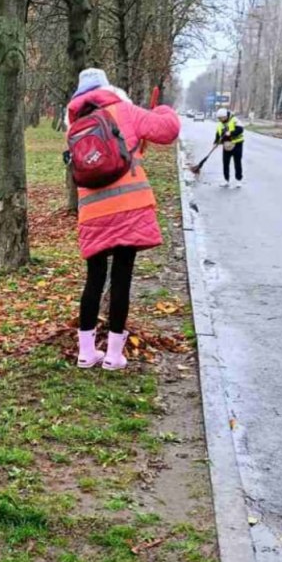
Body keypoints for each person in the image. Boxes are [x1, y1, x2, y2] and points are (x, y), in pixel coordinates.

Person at [66, 69, 180, 371]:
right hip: (129, 208)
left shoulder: (74, 127)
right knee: (121, 278)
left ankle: (86, 352)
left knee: (94, 279)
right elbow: (168, 130)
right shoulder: (124, 111)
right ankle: (114, 355)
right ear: (106, 89)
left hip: (92, 213)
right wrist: (162, 109)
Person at [215, 107, 245, 183]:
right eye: (219, 118)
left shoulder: (234, 120)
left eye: (221, 118)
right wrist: (216, 142)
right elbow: (218, 134)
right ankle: (226, 180)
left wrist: (231, 133)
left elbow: (240, 129)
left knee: (237, 162)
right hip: (226, 145)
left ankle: (238, 180)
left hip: (237, 144)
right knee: (225, 162)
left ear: (225, 116)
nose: (220, 119)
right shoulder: (220, 124)